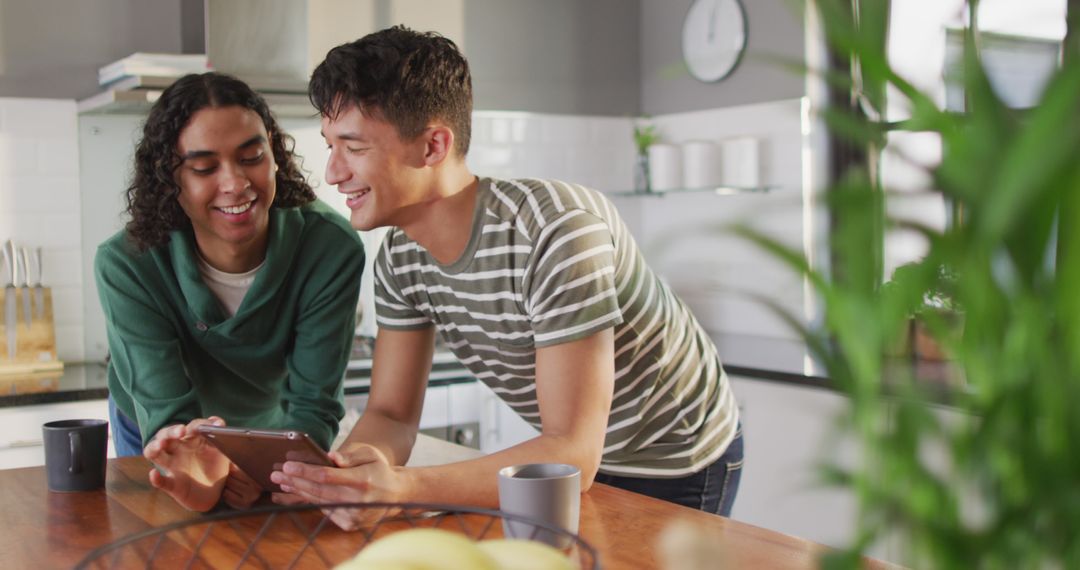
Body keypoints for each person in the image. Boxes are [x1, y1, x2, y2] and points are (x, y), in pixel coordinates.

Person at [270, 26, 742, 528]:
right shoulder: (400, 258)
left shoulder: (556, 231)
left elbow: (573, 452)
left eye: (353, 147)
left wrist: (403, 488)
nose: (333, 172)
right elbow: (390, 414)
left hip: (675, 456)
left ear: (433, 146)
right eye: (330, 145)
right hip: (575, 463)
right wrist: (350, 473)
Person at [95, 72, 365, 512]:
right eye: (204, 168)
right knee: (161, 536)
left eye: (252, 156)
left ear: (275, 156)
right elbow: (166, 413)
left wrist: (267, 474)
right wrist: (195, 471)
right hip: (157, 423)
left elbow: (313, 405)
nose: (235, 183)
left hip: (269, 428)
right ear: (170, 179)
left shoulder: (329, 248)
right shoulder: (128, 264)